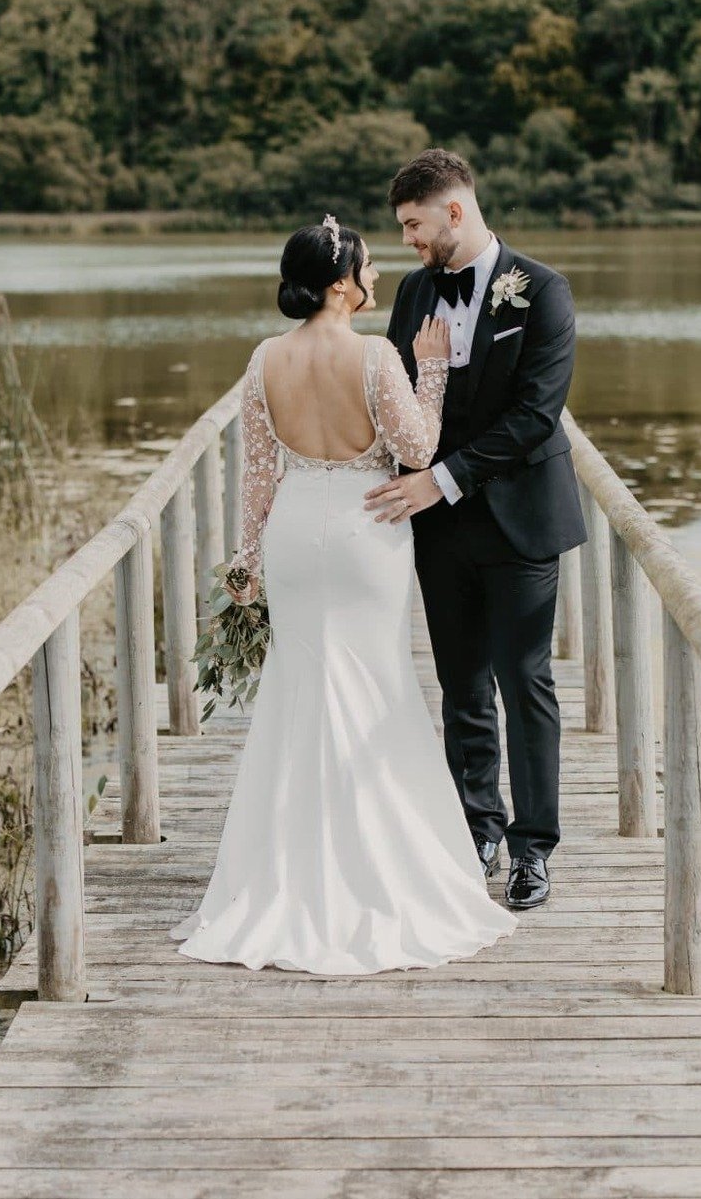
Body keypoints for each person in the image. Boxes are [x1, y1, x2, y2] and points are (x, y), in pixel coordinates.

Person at [171, 215, 517, 974]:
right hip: (367, 532)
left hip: (295, 530)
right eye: (367, 265)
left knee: (300, 689)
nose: (377, 276)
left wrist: (246, 558)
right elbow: (418, 449)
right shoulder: (377, 356)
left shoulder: (265, 359)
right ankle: (380, 864)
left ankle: (285, 871)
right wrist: (431, 372)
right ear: (340, 283)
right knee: (377, 686)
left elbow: (257, 473)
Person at [364, 149, 587, 911]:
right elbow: (393, 393)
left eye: (415, 225)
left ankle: (532, 849)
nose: (408, 241)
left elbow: (535, 415)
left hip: (521, 520)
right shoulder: (412, 290)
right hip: (439, 530)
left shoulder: (543, 292)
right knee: (461, 682)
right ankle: (477, 828)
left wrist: (442, 478)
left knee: (524, 680)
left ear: (454, 212)